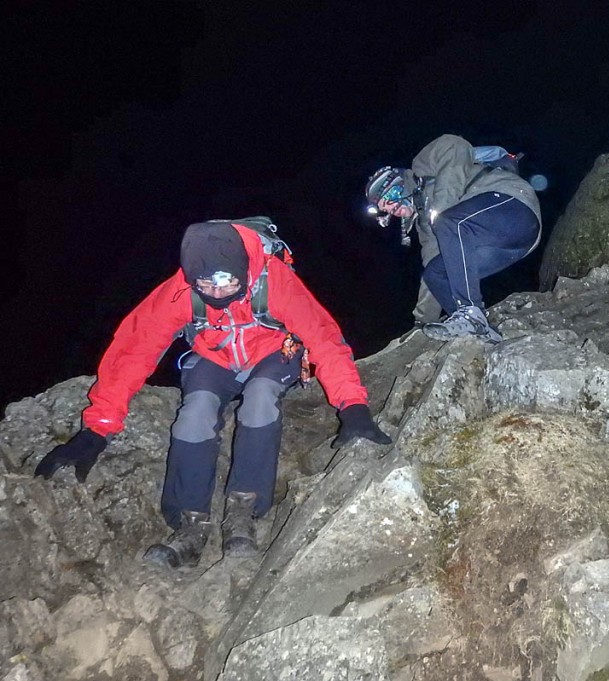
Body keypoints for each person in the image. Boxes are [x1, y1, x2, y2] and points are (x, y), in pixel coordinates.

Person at [34, 219, 392, 569]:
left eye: (226, 282)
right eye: (205, 284)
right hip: (215, 354)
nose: (217, 293)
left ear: (242, 270)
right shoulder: (181, 290)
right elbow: (134, 350)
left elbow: (323, 339)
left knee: (260, 398)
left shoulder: (274, 279)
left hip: (272, 353)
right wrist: (96, 432)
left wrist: (354, 407)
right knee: (195, 412)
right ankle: (189, 528)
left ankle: (242, 514)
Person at [366, 134, 542, 343]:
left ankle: (470, 312)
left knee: (448, 222)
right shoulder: (426, 226)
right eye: (387, 210)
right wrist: (422, 323)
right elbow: (438, 270)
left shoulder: (422, 167)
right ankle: (480, 332)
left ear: (401, 184)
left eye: (391, 198)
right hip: (509, 247)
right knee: (435, 274)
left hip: (512, 206)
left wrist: (442, 208)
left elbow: (455, 146)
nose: (394, 209)